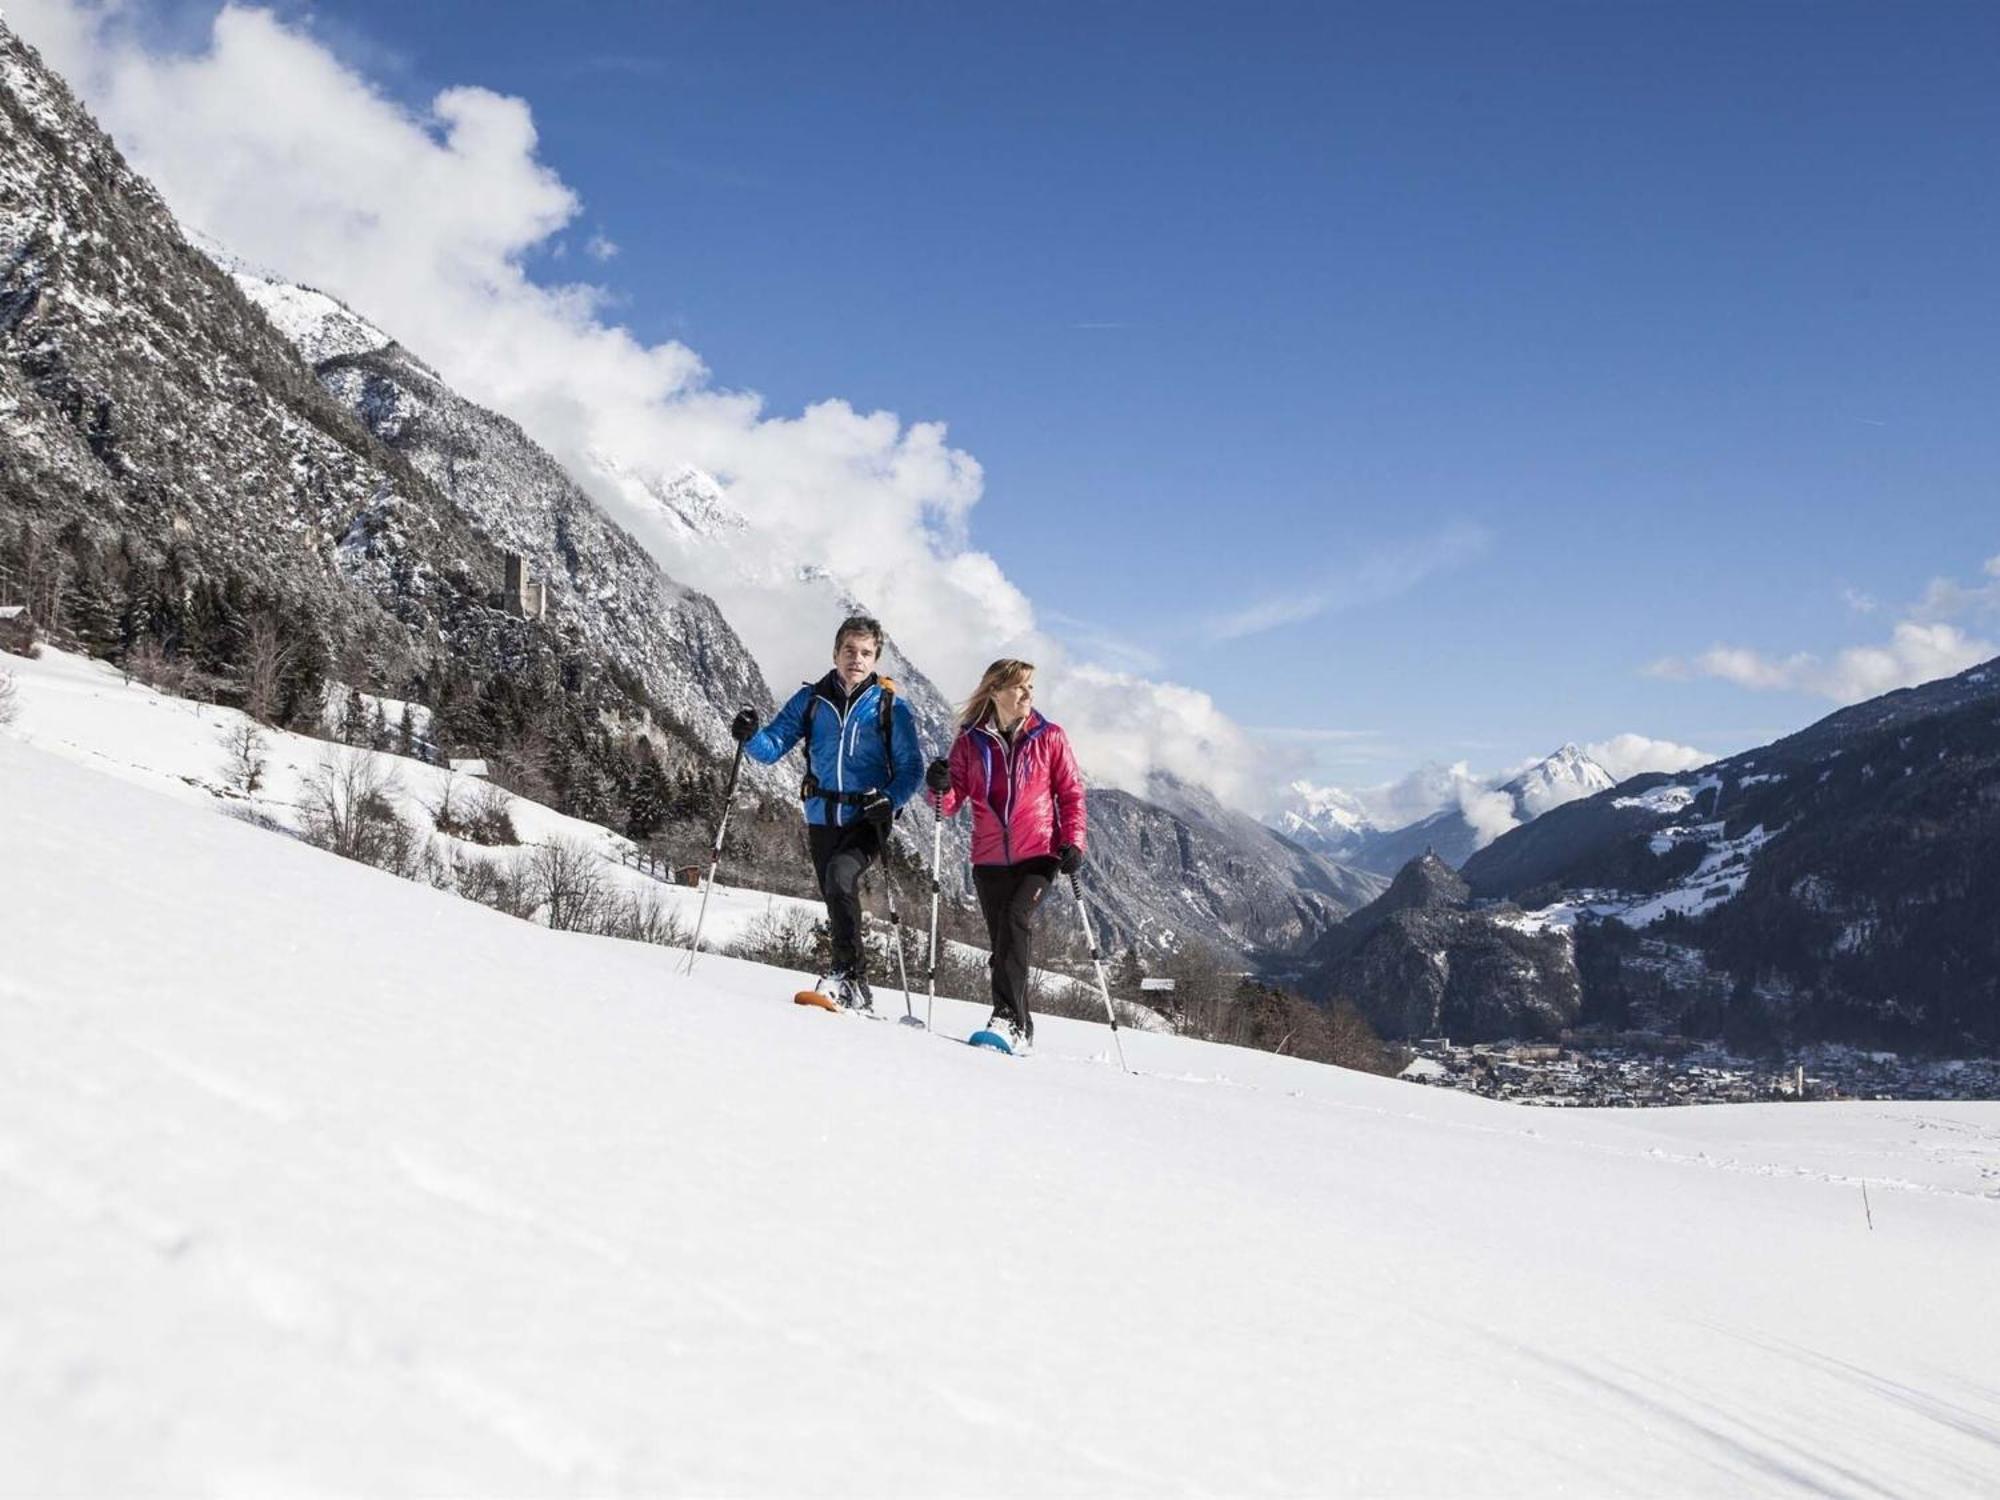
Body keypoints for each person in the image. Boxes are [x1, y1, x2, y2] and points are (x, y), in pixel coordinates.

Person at [732, 615, 924, 1010]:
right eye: (850, 650)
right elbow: (772, 747)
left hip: (868, 818)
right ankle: (857, 987)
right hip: (821, 815)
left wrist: (890, 798)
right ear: (835, 653)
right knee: (834, 893)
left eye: (866, 653)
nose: (857, 659)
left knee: (840, 879)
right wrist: (750, 736)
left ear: (876, 659)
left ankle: (845, 976)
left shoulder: (890, 708)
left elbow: (911, 768)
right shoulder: (811, 702)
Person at [927, 658, 1085, 1055]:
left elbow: (1070, 794)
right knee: (1002, 946)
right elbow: (949, 804)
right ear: (995, 691)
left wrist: (1074, 842)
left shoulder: (1050, 737)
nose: (1028, 694)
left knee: (1016, 920)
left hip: (1040, 854)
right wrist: (939, 787)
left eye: (1031, 686)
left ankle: (1008, 1020)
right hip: (990, 859)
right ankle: (1020, 1026)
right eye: (1019, 687)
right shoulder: (969, 741)